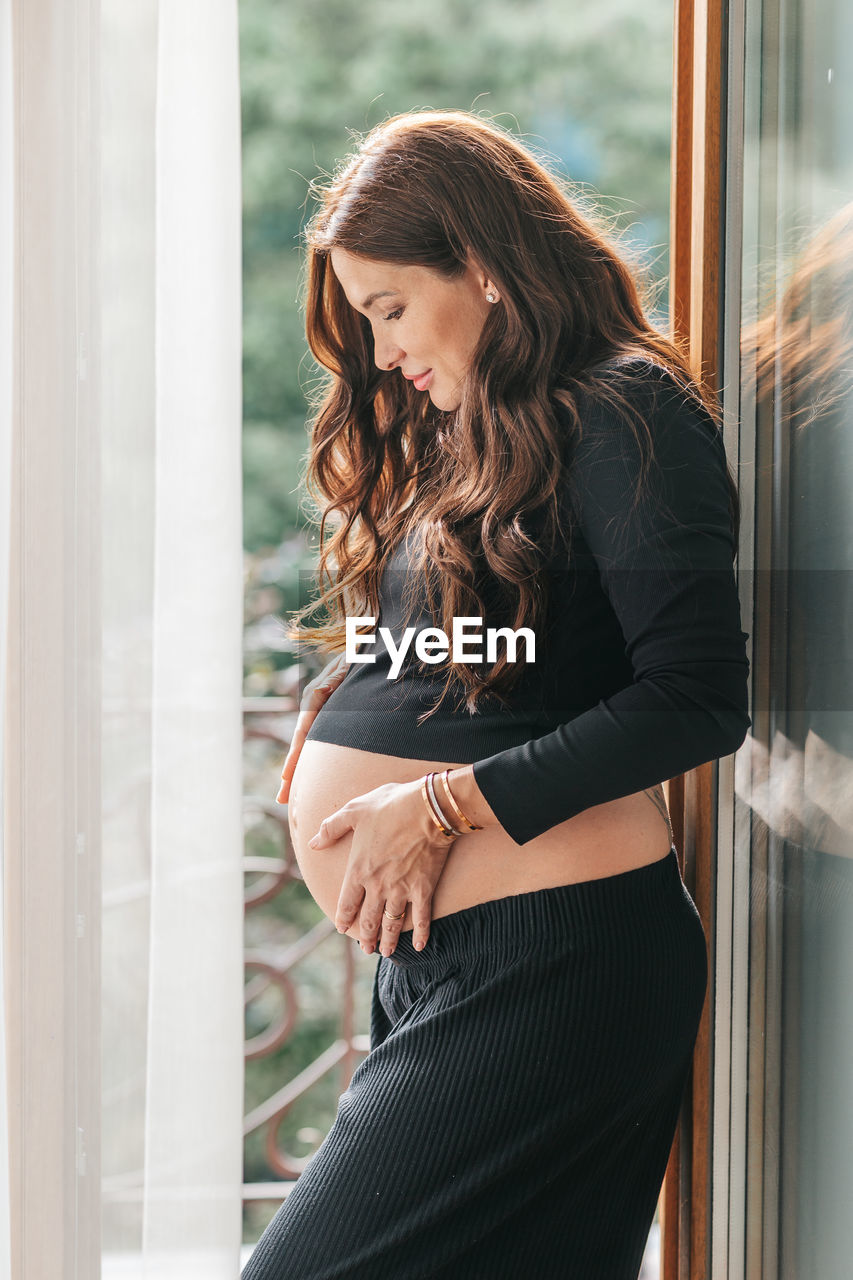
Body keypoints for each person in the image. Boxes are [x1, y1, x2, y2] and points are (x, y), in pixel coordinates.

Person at [242, 109, 751, 1280]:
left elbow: (695, 695)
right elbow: (524, 652)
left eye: (390, 309)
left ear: (478, 262)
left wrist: (437, 805)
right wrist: (356, 690)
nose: (382, 354)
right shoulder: (492, 431)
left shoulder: (625, 406)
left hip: (552, 958)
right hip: (443, 951)